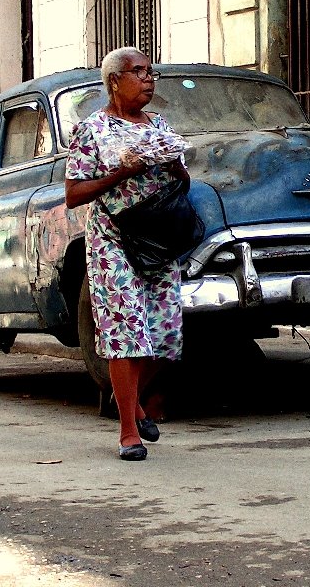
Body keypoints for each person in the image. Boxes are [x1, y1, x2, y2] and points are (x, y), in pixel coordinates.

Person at [64, 46, 190, 462]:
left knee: (164, 334)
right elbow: (73, 194)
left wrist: (175, 168)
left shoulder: (161, 126)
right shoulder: (93, 130)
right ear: (114, 81)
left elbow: (182, 184)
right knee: (124, 332)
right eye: (138, 72)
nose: (148, 79)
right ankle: (128, 432)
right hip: (114, 239)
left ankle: (131, 401)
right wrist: (122, 171)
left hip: (157, 236)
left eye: (151, 72)